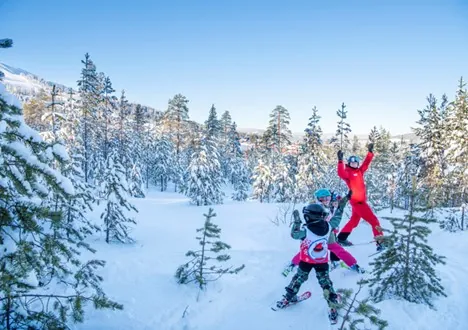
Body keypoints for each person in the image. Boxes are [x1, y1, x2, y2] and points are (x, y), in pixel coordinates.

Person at [276, 203, 339, 322]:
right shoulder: (329, 226)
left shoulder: (305, 230)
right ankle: (332, 304)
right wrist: (342, 204)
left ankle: (288, 297)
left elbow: (294, 234)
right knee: (325, 282)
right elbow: (337, 218)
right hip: (322, 260)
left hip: (306, 260)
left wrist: (297, 222)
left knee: (299, 278)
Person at [282, 189, 365, 276]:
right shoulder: (313, 208)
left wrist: (346, 198)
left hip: (328, 235)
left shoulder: (329, 206)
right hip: (315, 235)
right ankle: (292, 264)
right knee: (307, 251)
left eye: (327, 198)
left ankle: (353, 265)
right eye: (322, 198)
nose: (325, 200)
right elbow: (306, 221)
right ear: (317, 199)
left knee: (338, 250)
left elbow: (338, 210)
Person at [336, 143, 384, 251]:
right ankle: (380, 243)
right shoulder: (348, 173)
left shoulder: (359, 171)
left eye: (355, 162)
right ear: (349, 163)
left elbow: (366, 163)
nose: (354, 164)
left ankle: (341, 238)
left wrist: (370, 153)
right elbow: (340, 173)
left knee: (354, 221)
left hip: (360, 201)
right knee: (374, 221)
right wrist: (340, 161)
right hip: (358, 203)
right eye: (351, 162)